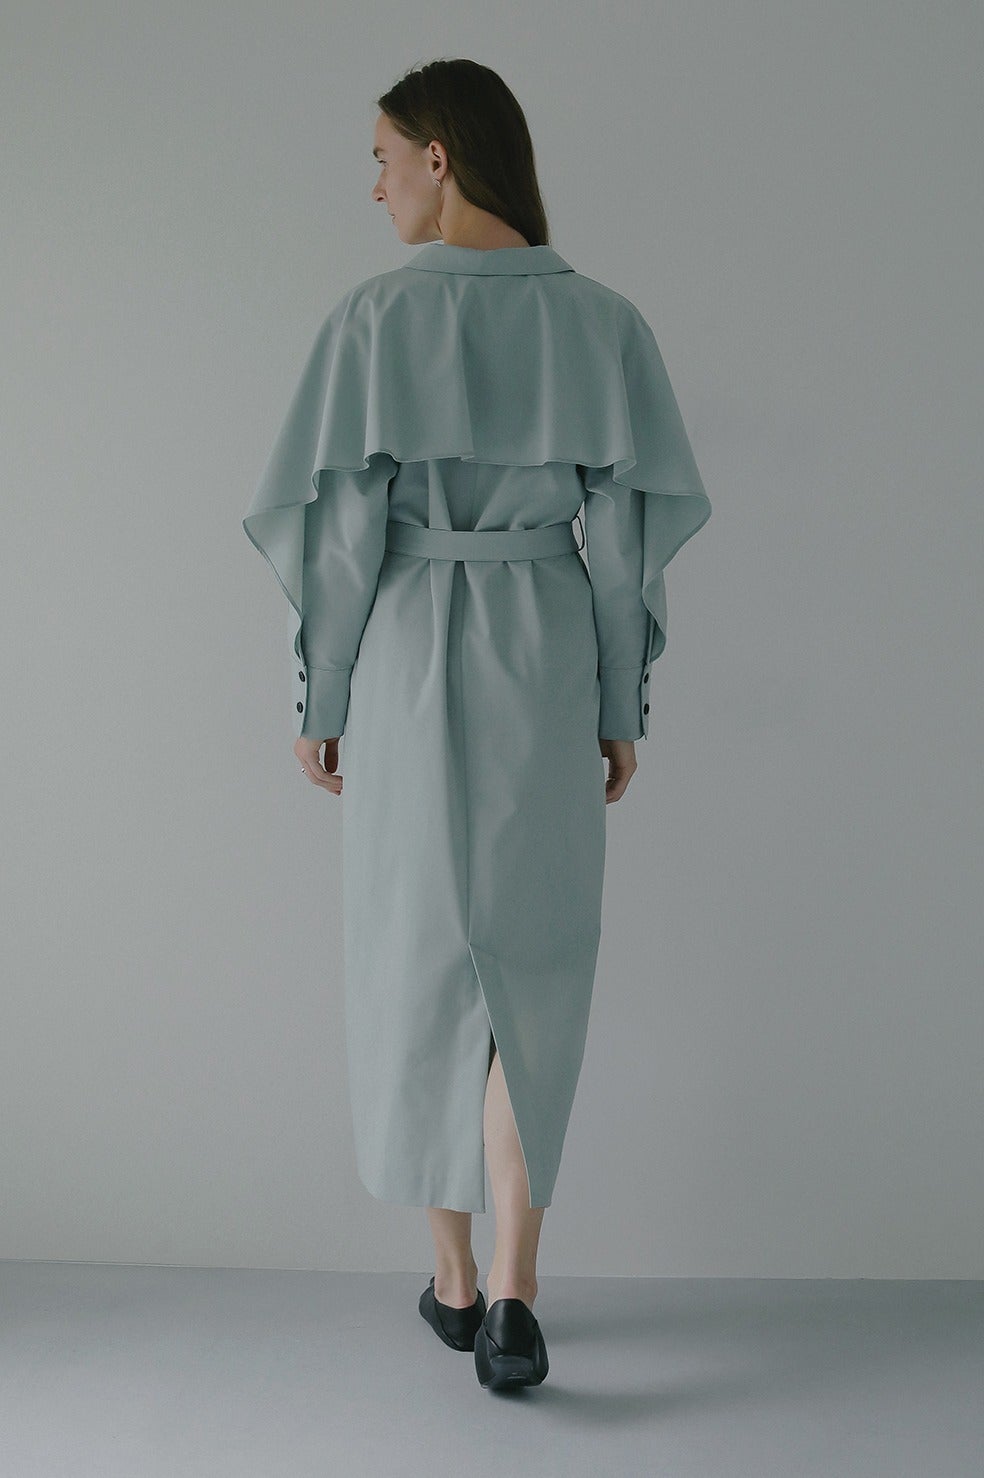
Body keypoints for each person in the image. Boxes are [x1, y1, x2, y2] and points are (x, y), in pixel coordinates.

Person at [242, 58, 711, 1392]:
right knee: (532, 963)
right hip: (544, 646)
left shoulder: (373, 320)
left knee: (419, 957)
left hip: (403, 649)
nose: (377, 186)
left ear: (440, 156)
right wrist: (619, 702)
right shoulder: (603, 323)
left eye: (384, 159)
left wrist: (322, 695)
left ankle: (450, 1281)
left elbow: (342, 540)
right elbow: (622, 552)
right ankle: (514, 1284)